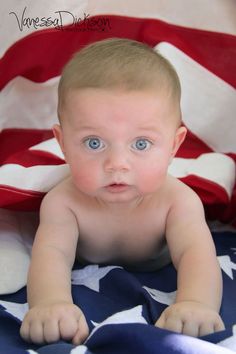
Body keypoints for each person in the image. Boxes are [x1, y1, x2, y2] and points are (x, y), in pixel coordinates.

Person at [20, 38, 224, 345]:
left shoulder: (178, 202)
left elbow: (194, 252)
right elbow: (53, 254)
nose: (117, 164)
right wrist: (49, 303)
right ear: (62, 144)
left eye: (141, 144)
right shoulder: (64, 203)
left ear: (174, 145)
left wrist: (197, 303)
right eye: (93, 143)